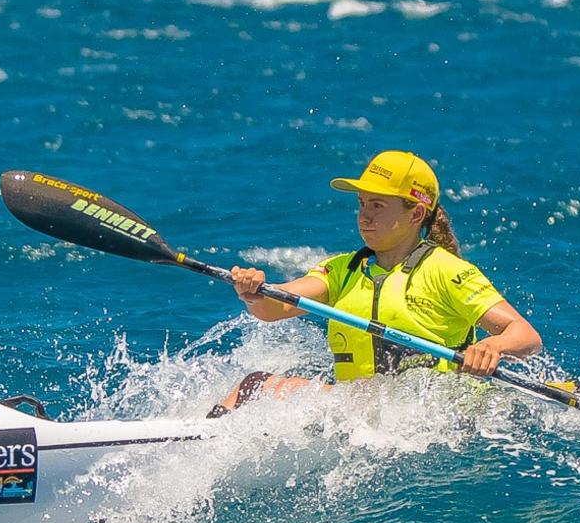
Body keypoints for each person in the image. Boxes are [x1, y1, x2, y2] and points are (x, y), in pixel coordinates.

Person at [209, 150, 542, 416]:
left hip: (434, 415)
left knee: (258, 386)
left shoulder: (446, 270)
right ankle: (210, 437)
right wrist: (253, 291)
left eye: (378, 205)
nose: (364, 215)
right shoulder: (343, 269)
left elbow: (525, 336)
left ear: (415, 214)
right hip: (361, 414)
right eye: (362, 203)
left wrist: (491, 347)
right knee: (253, 386)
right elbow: (275, 307)